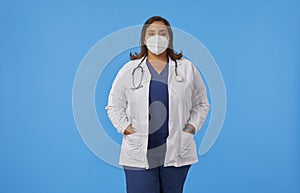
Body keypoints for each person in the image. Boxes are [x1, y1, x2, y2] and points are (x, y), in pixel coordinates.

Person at [105, 16, 210, 193]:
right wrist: (127, 129)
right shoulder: (129, 70)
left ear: (169, 38)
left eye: (162, 33)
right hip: (139, 152)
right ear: (144, 39)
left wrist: (190, 128)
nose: (157, 37)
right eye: (151, 33)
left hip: (177, 151)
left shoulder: (187, 68)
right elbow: (114, 106)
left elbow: (201, 103)